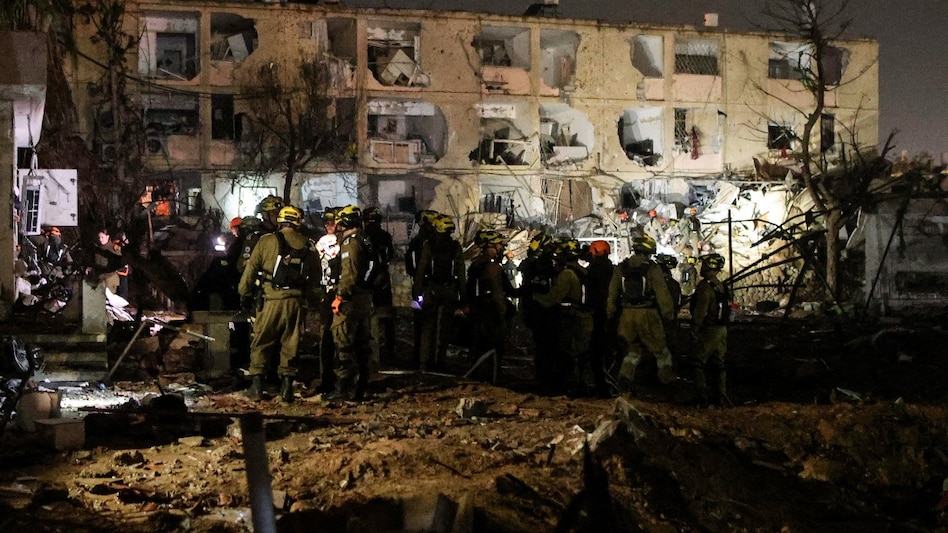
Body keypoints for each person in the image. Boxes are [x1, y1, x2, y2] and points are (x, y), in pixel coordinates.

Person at [238, 205, 319, 403]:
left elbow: (249, 270)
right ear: (298, 222)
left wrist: (244, 293)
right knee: (290, 343)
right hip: (295, 302)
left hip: (271, 300)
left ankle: (256, 387)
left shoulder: (267, 241)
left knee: (261, 340)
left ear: (280, 221)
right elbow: (315, 278)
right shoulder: (308, 245)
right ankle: (287, 389)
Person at [606, 234, 677, 392]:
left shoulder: (621, 268)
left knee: (631, 349)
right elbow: (662, 293)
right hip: (647, 313)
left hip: (626, 315)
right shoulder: (652, 268)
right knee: (661, 350)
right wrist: (669, 315)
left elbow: (612, 294)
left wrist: (610, 313)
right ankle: (668, 382)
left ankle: (625, 379)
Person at [532, 238, 593, 396]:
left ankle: (570, 387)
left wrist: (534, 297)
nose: (556, 256)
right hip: (583, 316)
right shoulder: (581, 270)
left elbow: (553, 298)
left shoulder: (566, 274)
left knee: (568, 353)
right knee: (580, 354)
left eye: (559, 253)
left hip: (573, 319)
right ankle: (581, 384)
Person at [330, 205, 376, 401]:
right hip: (365, 299)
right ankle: (361, 387)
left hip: (351, 300)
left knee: (343, 345)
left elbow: (350, 274)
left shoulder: (351, 243)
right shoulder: (365, 240)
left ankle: (343, 390)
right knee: (362, 345)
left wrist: (339, 296)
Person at [412, 214, 466, 372]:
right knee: (444, 328)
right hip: (449, 290)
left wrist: (417, 293)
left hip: (431, 290)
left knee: (428, 327)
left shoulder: (429, 245)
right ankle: (439, 362)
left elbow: (421, 271)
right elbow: (461, 274)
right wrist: (463, 298)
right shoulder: (456, 247)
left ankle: (424, 363)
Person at [466, 229, 510, 382]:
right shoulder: (492, 267)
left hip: (478, 311)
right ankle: (493, 377)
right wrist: (502, 311)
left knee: (478, 345)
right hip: (490, 312)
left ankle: (478, 374)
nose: (500, 248)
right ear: (489, 246)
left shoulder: (476, 264)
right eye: (497, 245)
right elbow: (498, 293)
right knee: (494, 346)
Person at [306, 207, 342, 396]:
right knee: (326, 337)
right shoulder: (321, 242)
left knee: (342, 337)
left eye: (332, 222)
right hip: (326, 293)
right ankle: (327, 378)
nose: (330, 226)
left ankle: (343, 379)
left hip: (340, 293)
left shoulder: (345, 241)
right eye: (327, 223)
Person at [689, 253, 730, 406]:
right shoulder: (722, 286)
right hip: (722, 329)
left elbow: (701, 310)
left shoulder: (706, 286)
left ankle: (702, 399)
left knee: (696, 362)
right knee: (719, 364)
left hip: (710, 329)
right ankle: (720, 398)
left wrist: (695, 328)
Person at [518, 232, 557, 391]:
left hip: (533, 311)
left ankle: (543, 377)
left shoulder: (528, 266)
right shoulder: (545, 267)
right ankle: (546, 379)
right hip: (544, 312)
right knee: (546, 346)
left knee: (541, 346)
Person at [362, 207, 396, 365]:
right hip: (383, 281)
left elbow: (370, 262)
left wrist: (365, 282)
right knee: (387, 319)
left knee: (370, 320)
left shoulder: (364, 237)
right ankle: (390, 352)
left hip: (370, 282)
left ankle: (374, 357)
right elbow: (389, 256)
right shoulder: (385, 236)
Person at [405, 209, 439, 367]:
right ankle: (427, 359)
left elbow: (410, 266)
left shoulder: (418, 241)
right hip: (430, 287)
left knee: (420, 322)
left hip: (420, 287)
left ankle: (418, 358)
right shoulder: (433, 241)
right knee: (430, 325)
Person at [585, 239, 615, 397]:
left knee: (595, 352)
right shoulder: (611, 268)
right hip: (609, 313)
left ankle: (601, 387)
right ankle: (609, 385)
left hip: (597, 313)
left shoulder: (594, 269)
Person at [656, 253, 683, 354]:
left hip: (660, 321)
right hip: (670, 321)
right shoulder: (674, 284)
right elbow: (677, 303)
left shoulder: (657, 283)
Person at [88, 228, 123, 296]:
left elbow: (119, 263)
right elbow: (92, 261)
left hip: (110, 278)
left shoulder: (114, 248)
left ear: (107, 237)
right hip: (99, 278)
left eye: (102, 237)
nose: (100, 239)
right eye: (99, 237)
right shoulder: (97, 249)